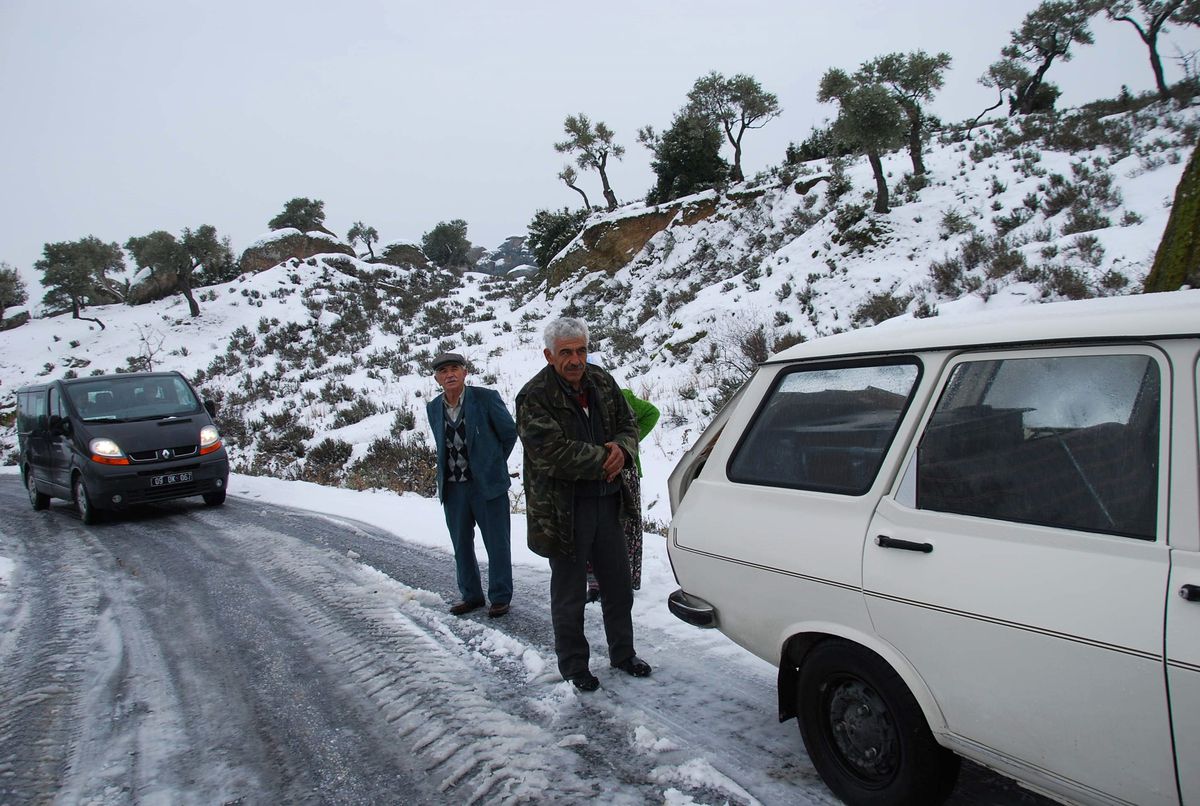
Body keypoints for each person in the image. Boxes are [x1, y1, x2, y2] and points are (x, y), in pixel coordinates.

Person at [515, 318, 652, 692]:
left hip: (608, 505)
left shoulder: (602, 381)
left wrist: (623, 448)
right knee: (570, 593)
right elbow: (551, 453)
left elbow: (629, 423)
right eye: (566, 353)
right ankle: (575, 666)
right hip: (564, 511)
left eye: (581, 351)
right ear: (549, 355)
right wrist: (605, 459)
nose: (575, 360)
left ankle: (623, 654)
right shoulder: (534, 396)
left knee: (618, 586)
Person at [426, 352, 517, 618]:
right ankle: (471, 596)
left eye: (455, 368)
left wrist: (493, 463)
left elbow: (509, 433)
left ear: (465, 372)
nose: (450, 374)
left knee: (497, 544)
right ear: (437, 378)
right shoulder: (434, 407)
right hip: (454, 488)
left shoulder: (486, 398)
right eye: (443, 371)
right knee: (461, 545)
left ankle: (500, 597)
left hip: (488, 487)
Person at [587, 385, 659, 599]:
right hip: (593, 473)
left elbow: (651, 413)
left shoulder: (620, 395)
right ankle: (595, 584)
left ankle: (622, 582)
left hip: (624, 473)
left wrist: (629, 445)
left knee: (624, 527)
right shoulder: (573, 399)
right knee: (594, 529)